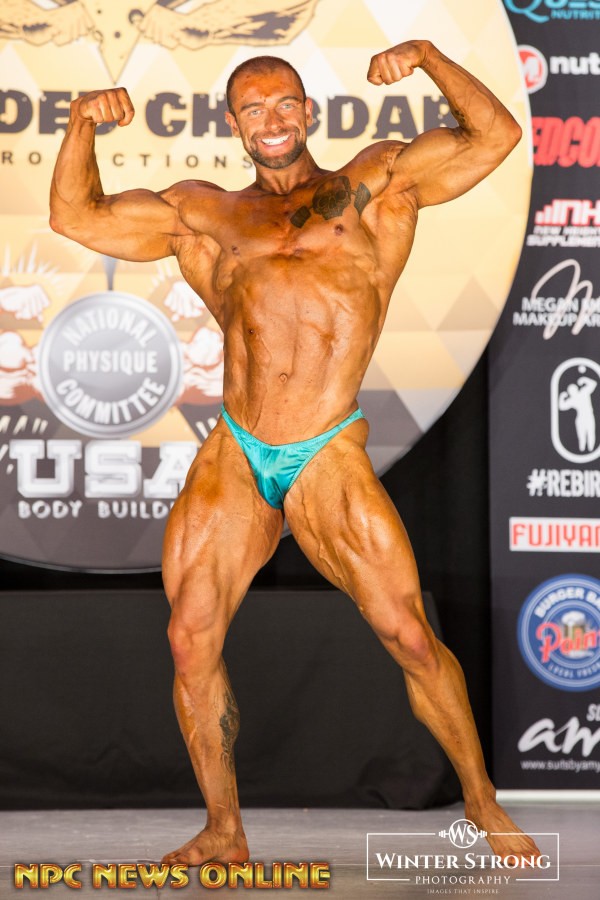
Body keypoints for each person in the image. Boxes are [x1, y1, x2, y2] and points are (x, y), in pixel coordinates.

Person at [50, 39, 539, 866]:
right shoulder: (206, 213)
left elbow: (495, 137)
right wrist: (79, 125)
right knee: (189, 638)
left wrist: (427, 58)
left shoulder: (374, 185)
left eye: (284, 104)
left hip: (325, 447)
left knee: (409, 635)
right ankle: (224, 829)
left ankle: (483, 802)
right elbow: (77, 217)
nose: (271, 121)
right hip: (238, 450)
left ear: (308, 112)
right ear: (233, 124)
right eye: (253, 109)